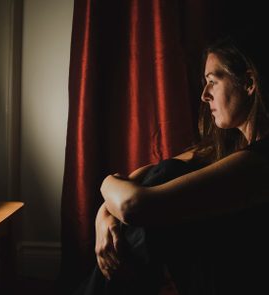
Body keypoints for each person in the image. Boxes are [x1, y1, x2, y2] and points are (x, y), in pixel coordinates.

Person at [74, 34, 269, 295]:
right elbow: (138, 179)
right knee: (164, 173)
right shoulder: (225, 149)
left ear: (248, 83)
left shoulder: (258, 164)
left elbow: (135, 205)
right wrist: (104, 217)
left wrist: (106, 183)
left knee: (158, 193)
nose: (203, 95)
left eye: (212, 82)